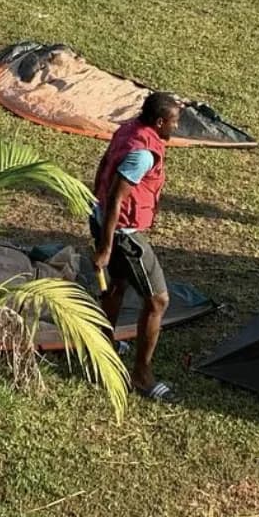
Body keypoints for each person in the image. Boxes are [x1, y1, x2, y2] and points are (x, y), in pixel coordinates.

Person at [91, 91, 181, 401]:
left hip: (102, 219)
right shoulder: (143, 153)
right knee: (158, 301)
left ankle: (104, 347)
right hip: (123, 233)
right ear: (159, 122)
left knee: (117, 284)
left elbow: (103, 167)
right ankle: (142, 376)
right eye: (174, 121)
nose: (176, 127)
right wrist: (106, 246)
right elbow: (117, 196)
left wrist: (97, 211)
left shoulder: (129, 129)